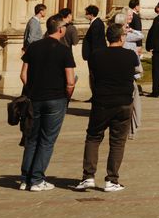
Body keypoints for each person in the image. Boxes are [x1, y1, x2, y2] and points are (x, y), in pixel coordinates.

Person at [77, 20, 139, 192]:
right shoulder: (130, 55)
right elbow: (135, 73)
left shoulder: (96, 55)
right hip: (123, 102)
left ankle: (88, 176)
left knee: (93, 137)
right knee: (117, 141)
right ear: (121, 38)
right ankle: (112, 179)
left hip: (102, 101)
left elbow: (93, 76)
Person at [18, 13, 75, 191]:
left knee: (32, 138)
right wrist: (67, 95)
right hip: (56, 99)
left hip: (35, 98)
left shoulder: (33, 47)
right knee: (47, 140)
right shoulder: (64, 50)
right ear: (60, 29)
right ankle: (37, 179)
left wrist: (32, 88)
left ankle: (25, 179)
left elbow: (23, 75)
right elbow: (70, 81)